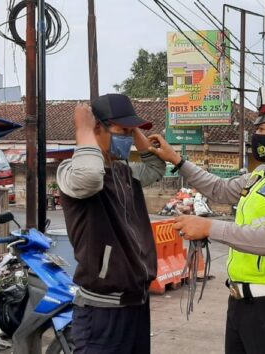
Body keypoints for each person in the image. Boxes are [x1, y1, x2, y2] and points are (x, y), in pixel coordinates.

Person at [148, 87, 265, 354]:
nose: (256, 138)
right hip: (241, 304)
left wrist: (209, 227)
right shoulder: (263, 175)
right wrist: (177, 160)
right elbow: (220, 189)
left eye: (263, 132)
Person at [56, 94, 166, 354]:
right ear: (97, 129)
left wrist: (135, 131)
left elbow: (155, 169)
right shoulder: (70, 172)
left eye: (130, 132)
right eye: (121, 131)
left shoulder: (123, 172)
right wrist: (84, 130)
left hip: (135, 305)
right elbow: (91, 177)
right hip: (102, 313)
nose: (127, 138)